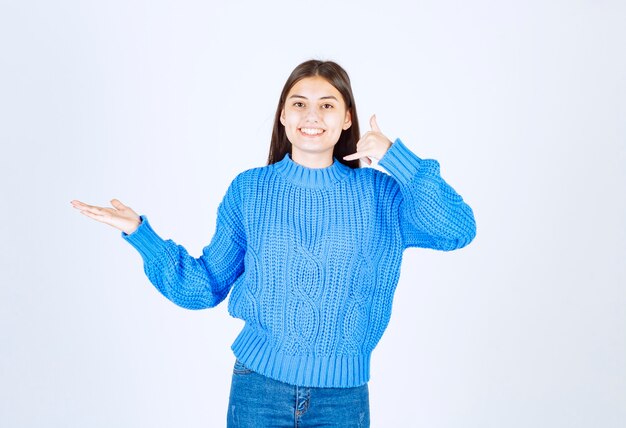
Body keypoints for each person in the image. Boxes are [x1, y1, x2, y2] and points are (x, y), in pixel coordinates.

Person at [71, 59, 476, 427]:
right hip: (257, 390)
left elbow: (457, 229)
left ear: (348, 118)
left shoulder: (380, 194)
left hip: (342, 398)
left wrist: (396, 158)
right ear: (283, 115)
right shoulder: (250, 190)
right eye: (299, 104)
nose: (312, 115)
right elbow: (205, 285)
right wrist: (141, 234)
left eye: (327, 105)